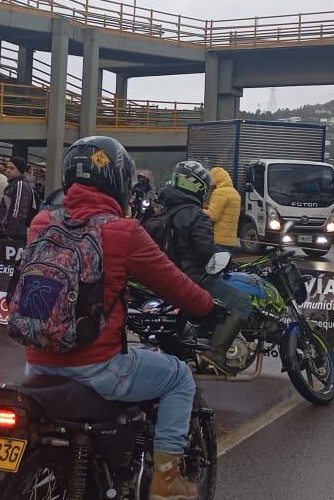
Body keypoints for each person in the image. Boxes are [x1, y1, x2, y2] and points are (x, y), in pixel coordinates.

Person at [25, 136, 214, 500]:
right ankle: (166, 479)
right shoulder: (122, 232)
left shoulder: (42, 221)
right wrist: (207, 305)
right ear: (119, 181)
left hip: (37, 364)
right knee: (178, 377)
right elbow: (176, 285)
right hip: (96, 367)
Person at [149, 160, 253, 376]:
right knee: (242, 303)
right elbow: (206, 250)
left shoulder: (164, 211)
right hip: (194, 277)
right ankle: (216, 352)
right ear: (198, 187)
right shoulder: (195, 214)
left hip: (166, 278)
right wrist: (223, 258)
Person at [0, 157, 37, 242]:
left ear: (20, 170)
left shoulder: (20, 184)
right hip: (8, 232)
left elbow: (18, 212)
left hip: (15, 235)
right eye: (7, 167)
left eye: (12, 168)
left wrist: (11, 233)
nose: (8, 170)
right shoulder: (13, 185)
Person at [204, 166, 241, 254]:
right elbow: (225, 213)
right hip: (230, 240)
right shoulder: (234, 192)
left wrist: (197, 209)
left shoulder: (220, 192)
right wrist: (207, 207)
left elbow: (213, 216)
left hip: (219, 240)